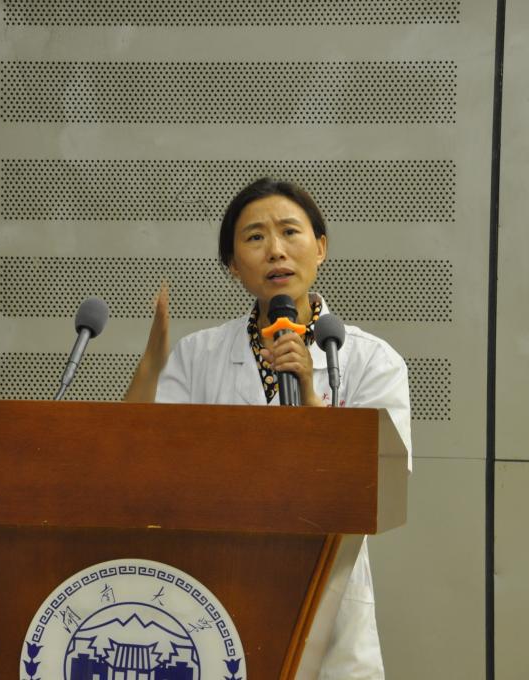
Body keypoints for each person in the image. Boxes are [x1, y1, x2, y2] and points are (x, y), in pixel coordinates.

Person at [124, 177, 412, 679]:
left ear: (320, 248)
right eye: (255, 237)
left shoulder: (373, 360)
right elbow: (144, 465)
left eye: (290, 232)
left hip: (328, 598)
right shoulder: (198, 355)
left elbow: (382, 484)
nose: (275, 249)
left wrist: (312, 397)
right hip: (216, 587)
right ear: (233, 265)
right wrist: (150, 366)